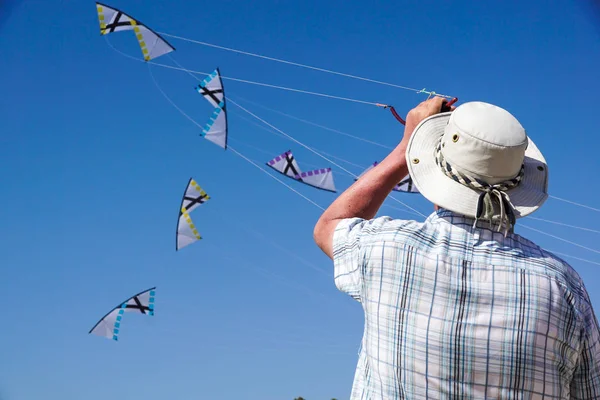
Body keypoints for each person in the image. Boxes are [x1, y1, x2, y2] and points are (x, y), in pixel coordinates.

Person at [313, 98, 600, 399]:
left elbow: (330, 224)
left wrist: (403, 150)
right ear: (518, 183)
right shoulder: (563, 286)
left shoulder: (385, 249)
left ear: (434, 171)